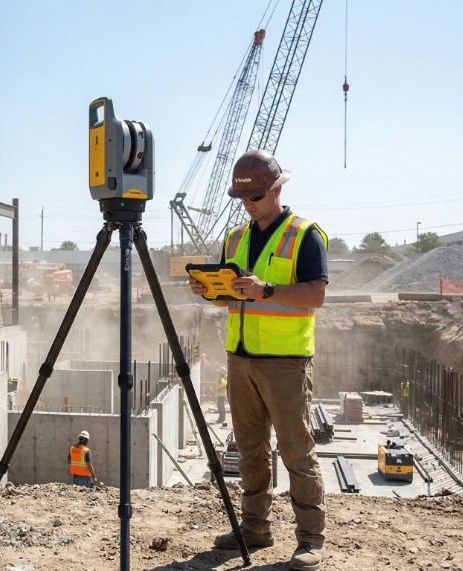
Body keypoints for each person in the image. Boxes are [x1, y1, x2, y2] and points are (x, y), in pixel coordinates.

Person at [189, 149, 328, 571]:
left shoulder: (305, 235)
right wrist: (211, 291)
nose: (247, 205)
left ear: (277, 189)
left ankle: (310, 539)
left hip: (285, 360)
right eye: (242, 198)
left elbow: (316, 295)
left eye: (255, 197)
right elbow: (233, 297)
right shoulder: (235, 238)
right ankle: (254, 528)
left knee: (296, 451)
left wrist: (267, 290)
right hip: (241, 357)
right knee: (249, 448)